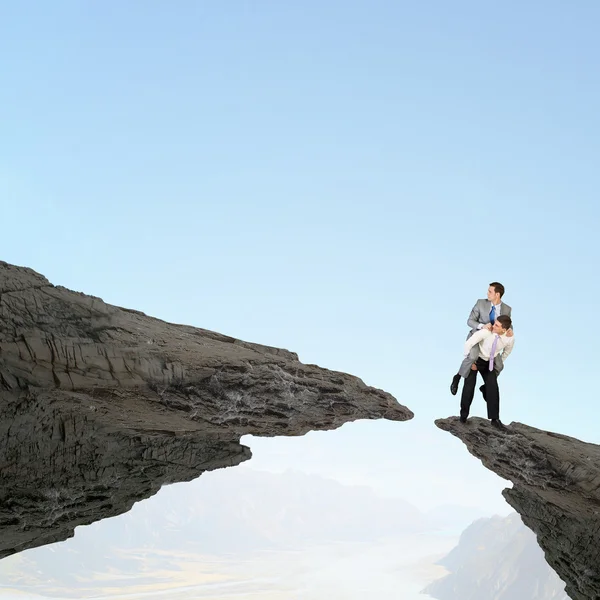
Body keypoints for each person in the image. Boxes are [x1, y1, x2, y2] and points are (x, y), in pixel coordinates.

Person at [450, 282, 513, 396]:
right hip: (478, 337)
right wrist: (482, 326)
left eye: (490, 291)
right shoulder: (480, 303)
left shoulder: (507, 309)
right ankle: (457, 377)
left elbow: (508, 324)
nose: (487, 293)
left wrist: (510, 330)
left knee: (499, 366)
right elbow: (470, 321)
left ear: (497, 294)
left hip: (492, 342)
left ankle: (485, 387)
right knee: (473, 356)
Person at [459, 314, 514, 429]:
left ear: (504, 330)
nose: (493, 326)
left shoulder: (509, 338)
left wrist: (497, 361)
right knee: (469, 386)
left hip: (489, 363)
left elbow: (507, 352)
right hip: (476, 360)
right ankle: (463, 416)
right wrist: (469, 361)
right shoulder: (486, 332)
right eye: (495, 323)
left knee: (493, 387)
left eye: (497, 326)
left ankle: (495, 419)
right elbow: (469, 343)